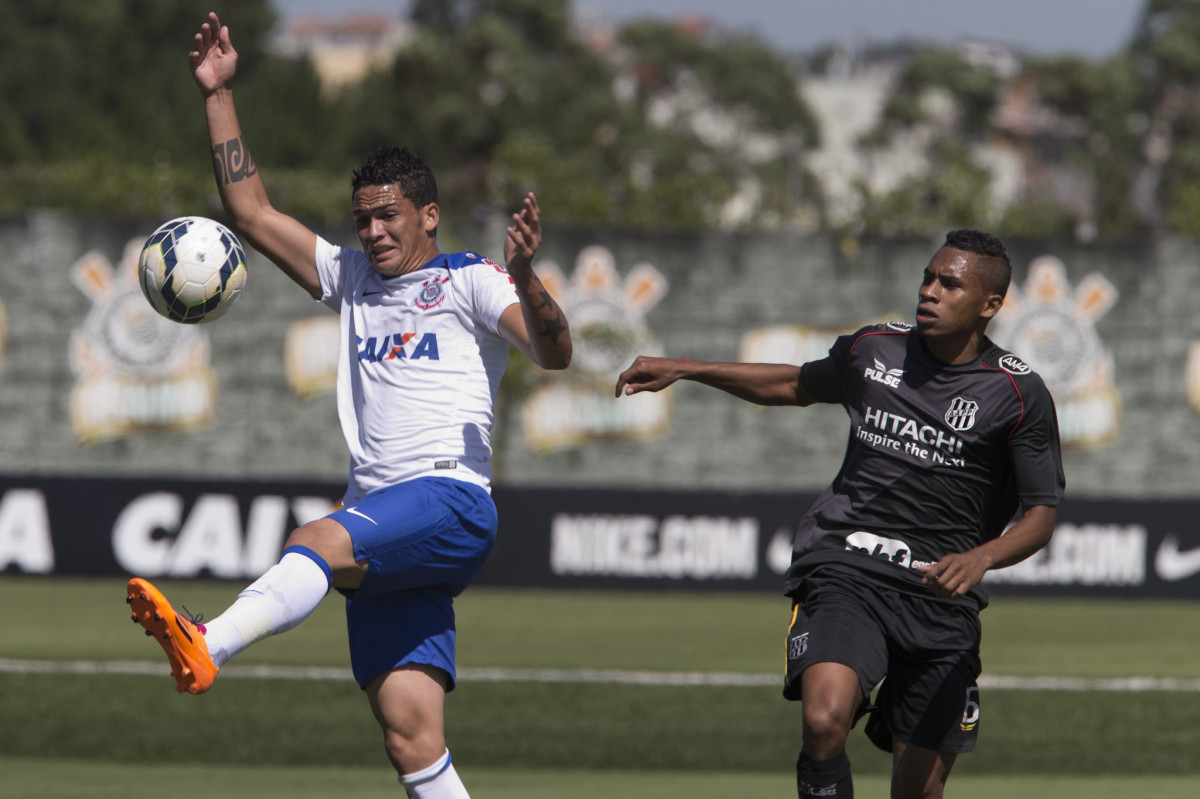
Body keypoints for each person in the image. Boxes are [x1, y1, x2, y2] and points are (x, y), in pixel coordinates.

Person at [126, 13, 571, 798]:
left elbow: (554, 351)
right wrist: (219, 93)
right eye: (362, 217)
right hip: (386, 513)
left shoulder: (470, 279)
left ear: (428, 215)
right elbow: (253, 211)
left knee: (313, 538)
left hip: (449, 498)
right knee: (410, 732)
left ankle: (210, 642)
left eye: (387, 215)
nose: (371, 230)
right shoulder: (352, 278)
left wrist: (529, 277)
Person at [615, 229, 1064, 799]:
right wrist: (687, 368)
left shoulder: (1018, 394)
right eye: (928, 277)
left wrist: (981, 558)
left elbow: (1041, 514)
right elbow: (793, 383)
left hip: (940, 596)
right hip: (847, 566)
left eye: (949, 284)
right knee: (824, 721)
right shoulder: (874, 348)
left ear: (990, 305)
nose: (929, 291)